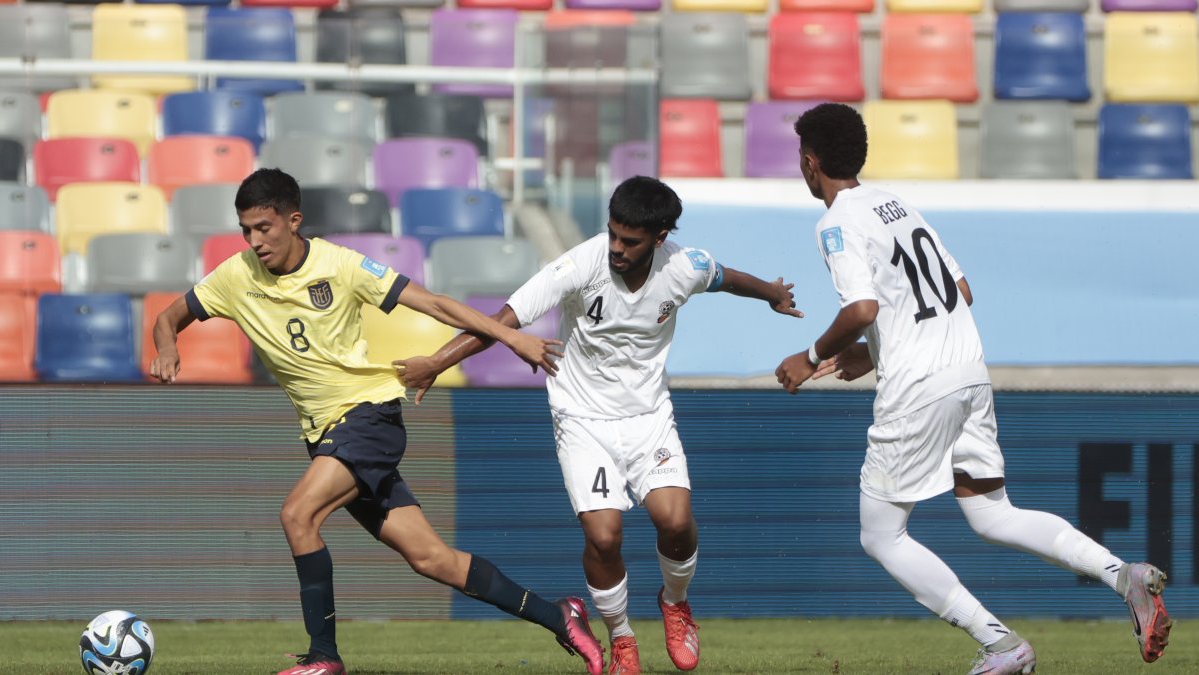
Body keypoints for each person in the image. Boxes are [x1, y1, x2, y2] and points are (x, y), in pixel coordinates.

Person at [149, 168, 605, 675]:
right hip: (327, 434)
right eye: (246, 230)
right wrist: (167, 347)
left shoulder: (340, 266)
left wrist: (513, 337)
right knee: (432, 559)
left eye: (264, 228)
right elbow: (168, 317)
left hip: (367, 418)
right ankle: (560, 616)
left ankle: (324, 657)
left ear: (293, 220)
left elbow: (434, 304)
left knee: (298, 515)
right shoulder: (236, 276)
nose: (254, 241)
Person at [775, 103, 1172, 674]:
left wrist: (809, 356)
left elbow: (861, 308)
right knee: (992, 514)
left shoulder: (835, 223)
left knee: (881, 536)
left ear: (810, 162)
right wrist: (873, 351)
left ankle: (1000, 643)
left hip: (919, 388)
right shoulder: (897, 207)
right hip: (968, 373)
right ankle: (1121, 575)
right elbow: (959, 289)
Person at [398, 175, 804, 675]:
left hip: (648, 416)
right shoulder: (579, 265)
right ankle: (621, 635)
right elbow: (501, 320)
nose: (616, 247)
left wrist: (772, 294)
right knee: (605, 535)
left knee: (676, 521)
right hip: (582, 418)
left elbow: (726, 278)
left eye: (629, 240)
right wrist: (437, 362)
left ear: (660, 237)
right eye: (612, 233)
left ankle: (675, 602)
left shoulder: (685, 266)